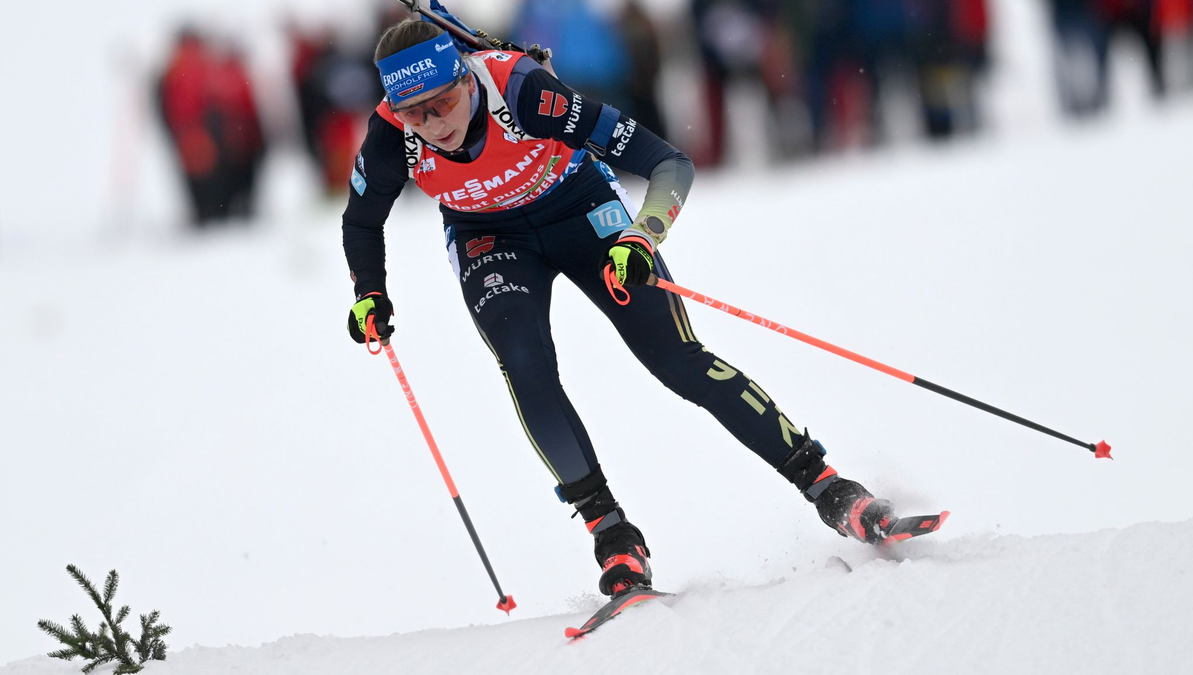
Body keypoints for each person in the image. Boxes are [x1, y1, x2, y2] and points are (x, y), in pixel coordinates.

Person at [342, 19, 898, 596]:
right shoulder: (390, 136)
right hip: (489, 237)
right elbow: (360, 221)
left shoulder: (524, 92)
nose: (435, 125)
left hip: (580, 210)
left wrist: (643, 234)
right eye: (415, 114)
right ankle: (612, 536)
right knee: (526, 366)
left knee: (675, 358)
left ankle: (828, 487)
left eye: (444, 102)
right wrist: (369, 293)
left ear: (465, 79)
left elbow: (670, 163)